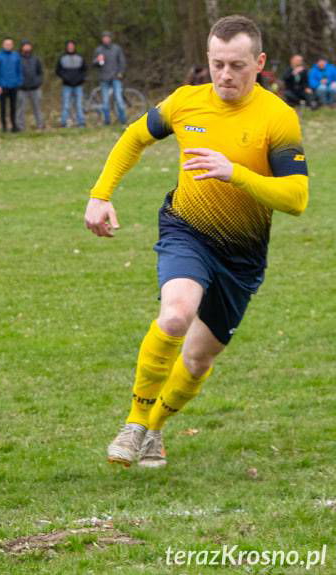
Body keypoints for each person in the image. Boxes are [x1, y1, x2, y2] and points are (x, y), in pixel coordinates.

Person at [85, 15, 308, 468]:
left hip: (242, 255)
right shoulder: (186, 103)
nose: (225, 75)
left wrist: (237, 174)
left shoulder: (277, 118)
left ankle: (155, 430)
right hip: (186, 230)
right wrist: (100, 196)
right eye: (217, 64)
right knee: (175, 316)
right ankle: (133, 424)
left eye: (237, 65)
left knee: (199, 358)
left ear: (260, 62)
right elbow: (134, 137)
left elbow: (297, 198)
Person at [93, 32, 127, 125]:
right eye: (104, 38)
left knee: (119, 100)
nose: (106, 39)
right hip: (104, 79)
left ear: (110, 38)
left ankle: (123, 121)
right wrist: (97, 60)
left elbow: (122, 62)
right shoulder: (98, 50)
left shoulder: (117, 48)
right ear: (102, 39)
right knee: (105, 101)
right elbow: (94, 64)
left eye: (107, 37)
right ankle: (107, 121)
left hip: (116, 78)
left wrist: (121, 73)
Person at [0, 37, 22, 132]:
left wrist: (19, 81)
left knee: (13, 107)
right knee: (3, 108)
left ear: (12, 45)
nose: (8, 46)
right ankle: (4, 127)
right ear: (3, 45)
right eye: (6, 44)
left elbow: (19, 70)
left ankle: (14, 126)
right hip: (2, 86)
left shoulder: (16, 55)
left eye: (10, 44)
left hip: (14, 85)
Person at [55, 40, 87, 127]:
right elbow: (58, 71)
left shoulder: (80, 57)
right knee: (66, 105)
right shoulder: (62, 58)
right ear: (67, 47)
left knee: (79, 105)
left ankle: (81, 123)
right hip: (67, 85)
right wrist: (65, 77)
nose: (70, 47)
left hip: (78, 85)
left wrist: (80, 79)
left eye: (72, 46)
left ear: (74, 47)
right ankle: (64, 123)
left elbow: (84, 70)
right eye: (69, 46)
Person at [15, 40, 45, 131]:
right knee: (20, 109)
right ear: (21, 47)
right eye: (25, 46)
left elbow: (40, 73)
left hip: (35, 88)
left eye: (28, 46)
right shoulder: (17, 59)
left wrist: (38, 82)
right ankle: (20, 127)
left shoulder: (36, 59)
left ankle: (40, 125)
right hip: (21, 89)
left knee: (38, 108)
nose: (27, 47)